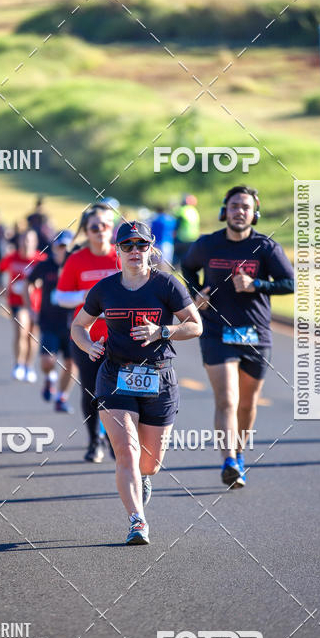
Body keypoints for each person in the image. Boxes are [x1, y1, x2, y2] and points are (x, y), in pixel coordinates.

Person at [71, 221, 201, 544]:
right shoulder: (105, 289)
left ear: (151, 248)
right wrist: (88, 346)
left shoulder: (167, 285)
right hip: (115, 375)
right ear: (117, 251)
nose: (134, 251)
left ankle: (142, 479)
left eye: (141, 245)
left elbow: (195, 325)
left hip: (159, 376)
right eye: (127, 245)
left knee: (150, 464)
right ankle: (137, 521)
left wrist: (162, 331)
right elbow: (78, 326)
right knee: (126, 451)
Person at [182, 186, 294, 488]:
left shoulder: (265, 247)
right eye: (234, 206)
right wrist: (196, 293)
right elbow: (187, 267)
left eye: (245, 207)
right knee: (227, 400)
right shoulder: (207, 244)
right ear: (225, 211)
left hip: (255, 334)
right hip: (216, 331)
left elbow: (289, 283)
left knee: (247, 404)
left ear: (254, 213)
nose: (239, 211)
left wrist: (256, 284)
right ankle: (229, 460)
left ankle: (240, 453)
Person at [56, 203, 120, 463]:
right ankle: (95, 441)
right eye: (94, 227)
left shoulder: (122, 256)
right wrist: (87, 298)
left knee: (119, 392)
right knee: (92, 392)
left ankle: (116, 441)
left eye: (105, 225)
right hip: (87, 338)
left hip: (121, 338)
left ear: (111, 228)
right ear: (86, 231)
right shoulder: (77, 259)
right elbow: (60, 297)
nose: (100, 230)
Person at [25, 230, 77, 412]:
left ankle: (62, 397)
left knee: (72, 363)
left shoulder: (77, 266)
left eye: (67, 247)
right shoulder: (45, 266)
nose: (64, 250)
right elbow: (28, 283)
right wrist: (30, 309)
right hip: (49, 323)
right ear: (54, 247)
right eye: (60, 246)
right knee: (47, 361)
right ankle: (49, 378)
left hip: (73, 324)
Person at [0, 230, 46, 382]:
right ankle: (18, 364)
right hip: (17, 302)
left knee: (33, 336)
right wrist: (2, 287)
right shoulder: (11, 257)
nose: (26, 243)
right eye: (24, 240)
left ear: (35, 242)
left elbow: (49, 278)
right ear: (19, 241)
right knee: (21, 330)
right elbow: (1, 270)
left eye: (30, 240)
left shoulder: (41, 259)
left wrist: (38, 283)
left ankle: (29, 366)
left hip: (36, 304)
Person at [173, 195, 200, 267]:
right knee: (188, 256)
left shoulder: (183, 210)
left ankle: (176, 267)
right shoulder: (195, 211)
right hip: (193, 238)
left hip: (182, 238)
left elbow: (176, 219)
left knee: (177, 255)